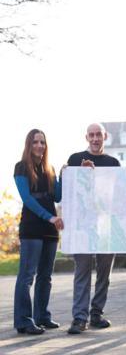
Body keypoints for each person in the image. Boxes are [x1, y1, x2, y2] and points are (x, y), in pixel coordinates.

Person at [66, 123, 120, 335]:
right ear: (86, 137)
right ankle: (80, 318)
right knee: (82, 272)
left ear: (105, 136)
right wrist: (79, 172)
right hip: (83, 224)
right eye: (91, 135)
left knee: (104, 273)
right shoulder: (74, 159)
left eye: (99, 135)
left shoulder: (113, 162)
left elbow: (118, 192)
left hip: (107, 224)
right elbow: (70, 192)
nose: (95, 138)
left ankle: (96, 314)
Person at [14, 129, 63, 335]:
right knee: (27, 276)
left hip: (50, 230)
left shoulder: (49, 168)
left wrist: (62, 173)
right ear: (29, 144)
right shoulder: (21, 167)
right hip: (32, 228)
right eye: (35, 142)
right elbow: (28, 199)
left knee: (46, 276)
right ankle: (23, 321)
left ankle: (42, 316)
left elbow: (58, 197)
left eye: (42, 142)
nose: (39, 146)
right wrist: (50, 217)